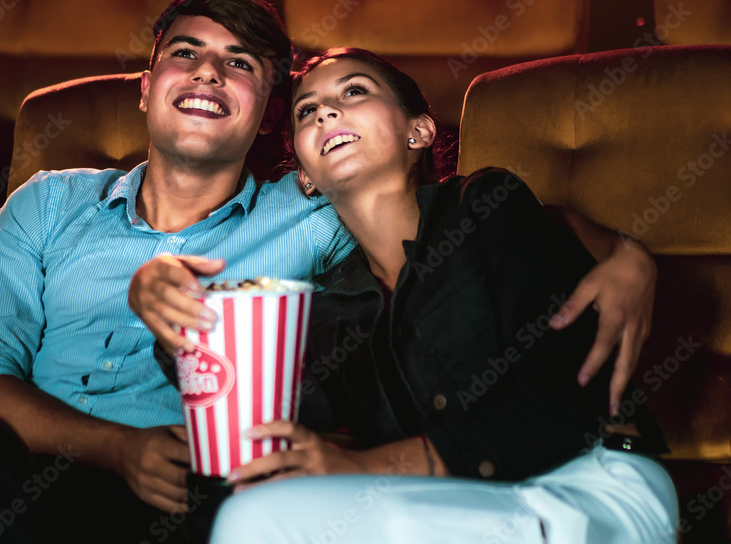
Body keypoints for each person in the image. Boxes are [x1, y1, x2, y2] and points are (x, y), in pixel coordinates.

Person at [0, 0, 657, 543]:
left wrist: (623, 249)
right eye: (184, 54)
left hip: (196, 498)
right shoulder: (48, 203)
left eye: (240, 65)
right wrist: (130, 423)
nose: (206, 73)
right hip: (27, 475)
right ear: (146, 87)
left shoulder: (320, 214)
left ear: (266, 122)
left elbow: (476, 221)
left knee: (248, 511)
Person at [200, 48, 678, 543]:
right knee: (255, 506)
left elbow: (565, 405)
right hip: (448, 502)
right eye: (306, 110)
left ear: (419, 132)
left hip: (589, 485)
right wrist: (180, 315)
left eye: (355, 91)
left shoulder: (487, 207)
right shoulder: (331, 307)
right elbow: (269, 413)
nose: (325, 111)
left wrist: (363, 466)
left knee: (257, 520)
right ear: (304, 175)